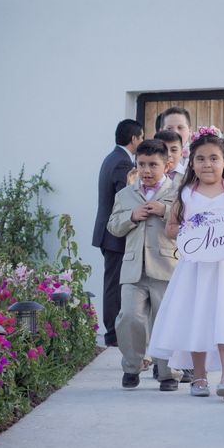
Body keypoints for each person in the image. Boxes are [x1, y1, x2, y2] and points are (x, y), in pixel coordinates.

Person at [148, 127, 224, 401]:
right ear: (193, 163)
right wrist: (193, 230)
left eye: (213, 158)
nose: (207, 164)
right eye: (200, 158)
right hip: (195, 268)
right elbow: (172, 228)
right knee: (197, 317)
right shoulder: (187, 194)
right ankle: (199, 376)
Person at [106, 139, 183, 391]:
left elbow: (186, 222)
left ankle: (168, 372)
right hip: (133, 268)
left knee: (166, 318)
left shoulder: (178, 192)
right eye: (142, 164)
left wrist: (164, 210)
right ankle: (132, 366)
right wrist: (130, 216)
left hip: (166, 265)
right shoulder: (125, 194)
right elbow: (113, 226)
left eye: (153, 164)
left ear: (167, 164)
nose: (147, 170)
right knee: (129, 317)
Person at [92, 119, 144, 347]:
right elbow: (126, 198)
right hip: (114, 235)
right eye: (141, 138)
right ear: (134, 139)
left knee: (112, 282)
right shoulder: (123, 163)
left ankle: (113, 332)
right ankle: (113, 335)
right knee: (114, 285)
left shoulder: (111, 157)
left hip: (107, 233)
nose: (141, 142)